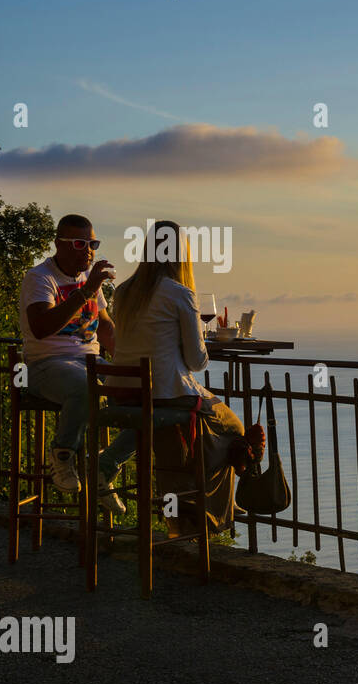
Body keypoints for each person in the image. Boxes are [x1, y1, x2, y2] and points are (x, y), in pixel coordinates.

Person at [110, 221, 262, 536]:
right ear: (182, 255)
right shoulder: (180, 293)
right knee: (233, 428)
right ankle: (216, 505)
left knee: (177, 435)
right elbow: (196, 361)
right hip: (165, 392)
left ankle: (186, 516)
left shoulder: (123, 291)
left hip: (124, 390)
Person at [17, 213, 134, 512]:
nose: (89, 250)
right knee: (86, 388)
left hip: (90, 361)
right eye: (80, 243)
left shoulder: (88, 280)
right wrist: (85, 291)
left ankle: (103, 468)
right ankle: (63, 454)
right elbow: (42, 327)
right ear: (59, 244)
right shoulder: (40, 278)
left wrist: (131, 360)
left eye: (92, 243)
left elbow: (105, 326)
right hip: (46, 364)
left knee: (150, 393)